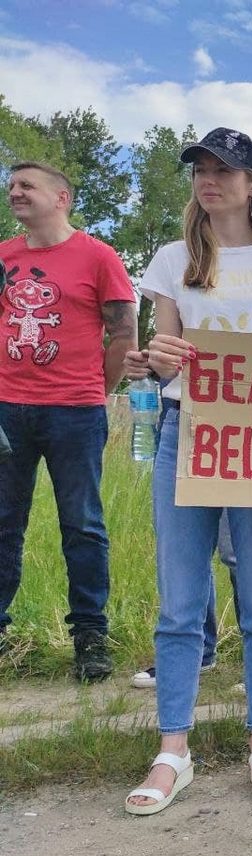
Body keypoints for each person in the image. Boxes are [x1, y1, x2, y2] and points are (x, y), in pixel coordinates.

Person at [124, 128, 252, 815]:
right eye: (200, 170)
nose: (209, 180)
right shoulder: (172, 259)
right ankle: (172, 749)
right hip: (186, 432)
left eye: (224, 169)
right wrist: (155, 358)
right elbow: (163, 351)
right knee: (181, 602)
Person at [0, 161, 137, 680]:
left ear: (61, 198)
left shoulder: (98, 257)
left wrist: (98, 392)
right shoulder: (4, 256)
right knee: (3, 523)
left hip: (74, 412)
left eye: (26, 185)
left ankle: (90, 636)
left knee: (82, 525)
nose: (15, 192)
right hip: (6, 408)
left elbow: (124, 333)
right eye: (11, 185)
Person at [121, 351, 240, 689]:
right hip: (185, 417)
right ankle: (196, 653)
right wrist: (150, 362)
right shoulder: (180, 296)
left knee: (239, 552)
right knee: (186, 551)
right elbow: (172, 360)